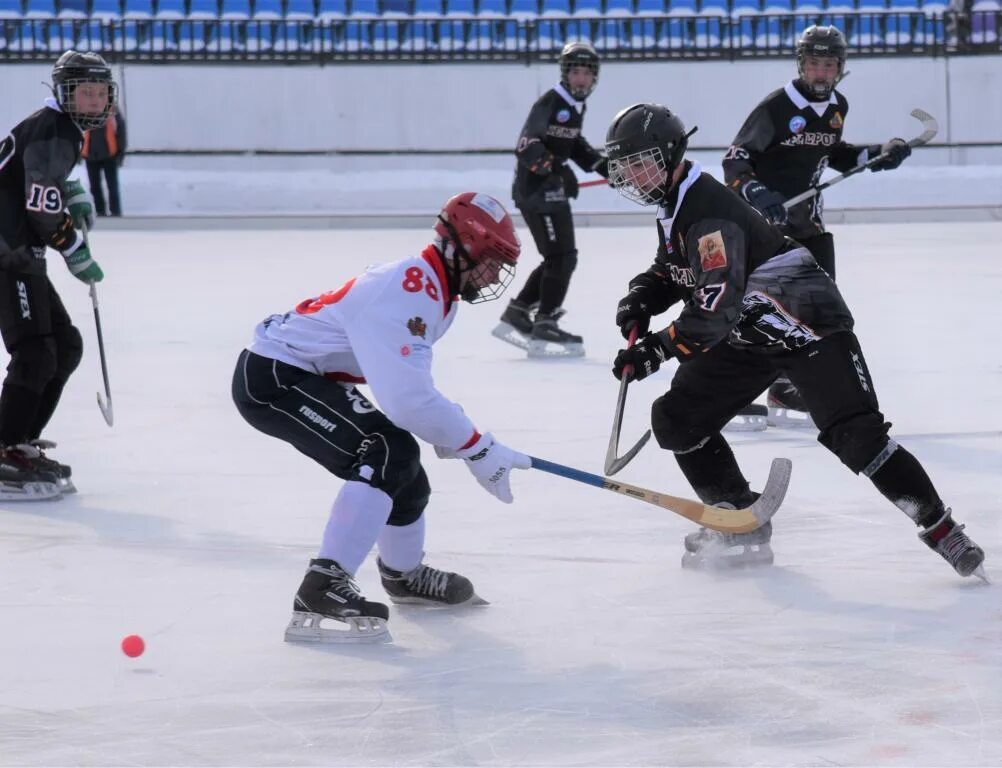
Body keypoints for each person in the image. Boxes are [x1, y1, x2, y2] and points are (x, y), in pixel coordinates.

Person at [604, 102, 985, 580]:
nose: (634, 177)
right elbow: (677, 268)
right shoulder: (676, 202)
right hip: (751, 333)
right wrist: (644, 292)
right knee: (677, 418)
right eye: (628, 168)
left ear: (671, 154)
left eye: (641, 164)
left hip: (808, 327)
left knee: (857, 438)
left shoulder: (706, 214)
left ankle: (942, 529)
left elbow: (714, 307)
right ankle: (736, 518)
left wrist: (657, 348)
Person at [233, 192, 532, 644]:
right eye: (491, 260)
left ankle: (403, 576)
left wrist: (459, 437)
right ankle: (323, 585)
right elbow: (408, 400)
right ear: (463, 247)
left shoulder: (435, 290)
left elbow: (409, 386)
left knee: (404, 468)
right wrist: (476, 446)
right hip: (274, 377)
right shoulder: (410, 292)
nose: (495, 275)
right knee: (388, 450)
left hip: (304, 371)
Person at [721, 25, 912, 429]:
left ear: (840, 68)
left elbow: (837, 153)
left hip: (808, 224)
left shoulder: (838, 106)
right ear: (801, 65)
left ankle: (787, 387)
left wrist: (878, 153)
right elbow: (734, 162)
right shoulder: (776, 107)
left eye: (829, 65)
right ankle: (725, 391)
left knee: (820, 312)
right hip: (764, 227)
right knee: (760, 312)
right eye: (813, 65)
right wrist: (757, 191)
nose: (821, 74)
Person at [0, 50, 111, 501]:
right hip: (9, 254)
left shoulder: (55, 127)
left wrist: (73, 192)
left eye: (100, 93)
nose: (92, 101)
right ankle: (5, 449)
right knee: (36, 352)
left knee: (64, 345)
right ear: (64, 93)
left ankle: (19, 440)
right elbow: (39, 207)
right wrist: (76, 250)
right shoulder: (56, 128)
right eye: (83, 92)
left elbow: (39, 172)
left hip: (19, 253)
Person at [492, 40, 609, 359]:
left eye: (587, 73)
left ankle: (519, 312)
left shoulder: (572, 107)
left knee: (558, 258)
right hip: (537, 192)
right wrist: (559, 170)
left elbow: (574, 145)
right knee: (562, 258)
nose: (581, 79)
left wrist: (605, 167)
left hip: (551, 192)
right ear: (565, 74)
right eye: (576, 72)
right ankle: (544, 320)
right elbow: (527, 145)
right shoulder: (552, 102)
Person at [82, 104, 126, 217]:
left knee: (112, 186)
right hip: (91, 155)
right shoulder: (83, 109)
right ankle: (100, 211)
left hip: (109, 155)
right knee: (95, 186)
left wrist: (120, 152)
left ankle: (115, 212)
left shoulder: (113, 109)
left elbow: (121, 130)